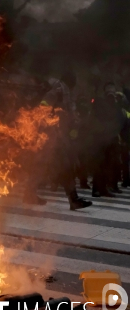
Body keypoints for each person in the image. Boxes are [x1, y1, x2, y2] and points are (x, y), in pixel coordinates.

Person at [40, 72, 92, 211]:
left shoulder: (64, 92)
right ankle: (73, 200)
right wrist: (53, 122)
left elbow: (69, 113)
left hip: (60, 136)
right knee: (63, 167)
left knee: (56, 167)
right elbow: (44, 107)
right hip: (55, 137)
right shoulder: (59, 90)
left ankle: (73, 199)